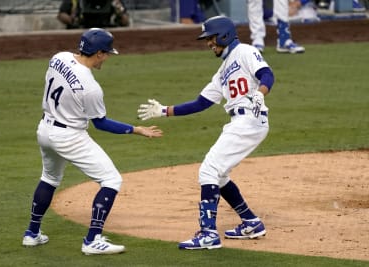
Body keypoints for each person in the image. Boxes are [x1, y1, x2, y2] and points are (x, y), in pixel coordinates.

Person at [137, 15, 274, 250]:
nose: (208, 43)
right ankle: (251, 222)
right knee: (219, 175)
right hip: (241, 122)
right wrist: (164, 111)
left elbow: (267, 74)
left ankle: (208, 233)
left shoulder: (245, 52)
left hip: (249, 119)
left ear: (223, 34)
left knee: (208, 170)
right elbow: (200, 103)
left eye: (211, 38)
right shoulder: (222, 71)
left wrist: (260, 93)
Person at [22, 28, 163, 255]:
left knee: (49, 178)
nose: (107, 58)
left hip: (45, 130)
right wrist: (136, 130)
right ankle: (92, 239)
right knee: (111, 179)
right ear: (98, 53)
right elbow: (101, 124)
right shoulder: (90, 88)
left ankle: (32, 233)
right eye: (106, 53)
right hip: (69, 137)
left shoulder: (59, 57)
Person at [57, 0, 130, 29]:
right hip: (82, 29)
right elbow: (61, 15)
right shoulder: (75, 1)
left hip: (106, 29)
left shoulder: (114, 1)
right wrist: (72, 20)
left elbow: (125, 21)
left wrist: (120, 11)